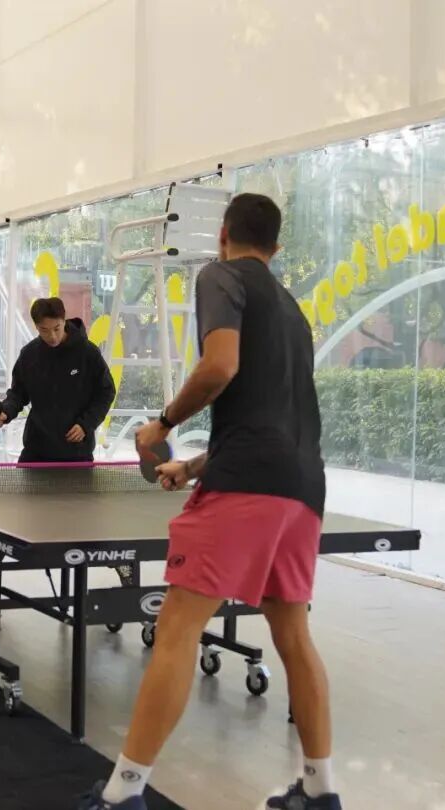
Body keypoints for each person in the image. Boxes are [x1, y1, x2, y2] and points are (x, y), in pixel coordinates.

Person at [80, 194, 337, 810]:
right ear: (277, 246)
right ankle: (320, 790)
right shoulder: (293, 310)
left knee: (176, 629)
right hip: (303, 487)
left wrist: (162, 423)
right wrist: (195, 465)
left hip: (247, 485)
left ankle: (122, 793)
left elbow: (220, 367)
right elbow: (269, 416)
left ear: (224, 235)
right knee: (293, 634)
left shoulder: (221, 276)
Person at [0, 297, 118, 596]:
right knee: (12, 513)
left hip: (76, 453)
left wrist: (87, 424)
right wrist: (6, 412)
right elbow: (17, 394)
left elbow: (106, 392)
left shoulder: (88, 354)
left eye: (56, 328)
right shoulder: (30, 355)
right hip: (37, 450)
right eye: (44, 330)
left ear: (64, 321)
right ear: (35, 326)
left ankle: (120, 563)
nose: (51, 336)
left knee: (85, 519)